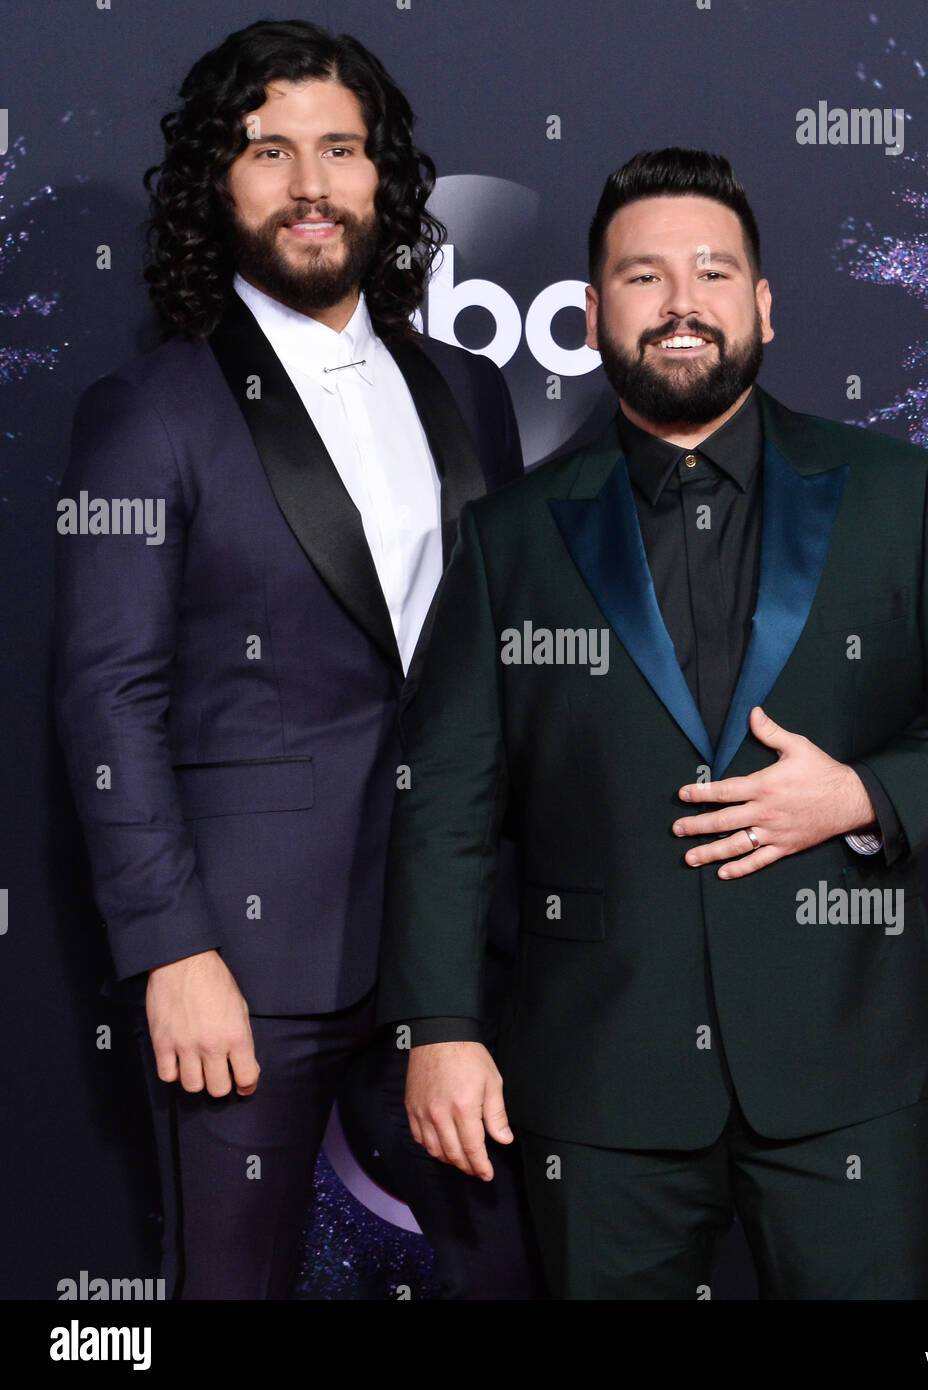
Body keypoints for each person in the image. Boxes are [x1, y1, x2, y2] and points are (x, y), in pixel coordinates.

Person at [376, 147, 928, 1299]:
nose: (683, 303)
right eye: (644, 278)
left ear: (764, 306)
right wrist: (437, 1026)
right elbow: (445, 798)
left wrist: (863, 794)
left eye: (713, 272)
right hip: (599, 1079)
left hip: (845, 1065)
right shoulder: (513, 538)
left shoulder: (893, 491)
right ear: (592, 315)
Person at [54, 19, 537, 1300]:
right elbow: (109, 696)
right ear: (221, 183)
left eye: (341, 148)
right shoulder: (154, 408)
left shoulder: (470, 391)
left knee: (498, 1273)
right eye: (270, 150)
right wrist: (170, 949)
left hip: (454, 940)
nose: (311, 183)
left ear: (385, 179)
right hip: (246, 958)